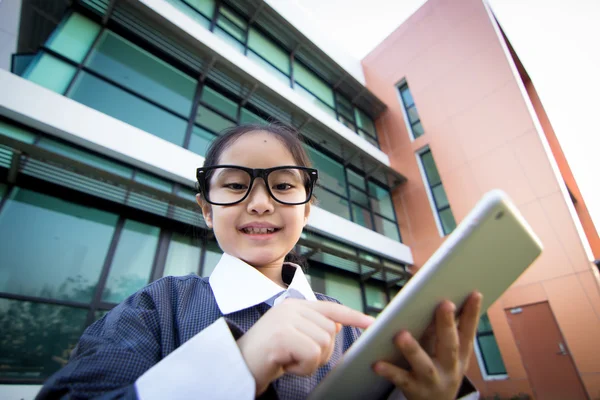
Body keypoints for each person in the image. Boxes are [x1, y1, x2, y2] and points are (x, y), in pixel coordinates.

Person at [37, 123, 481, 400]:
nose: (260, 203)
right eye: (234, 186)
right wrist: (239, 364)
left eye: (284, 187)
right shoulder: (157, 308)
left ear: (307, 209)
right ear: (206, 209)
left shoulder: (357, 333)